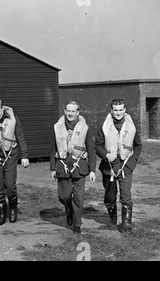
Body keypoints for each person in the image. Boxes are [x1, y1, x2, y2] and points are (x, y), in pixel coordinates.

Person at [95, 98, 142, 232]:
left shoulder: (131, 126)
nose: (118, 113)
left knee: (126, 194)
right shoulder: (104, 127)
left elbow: (138, 145)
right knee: (110, 195)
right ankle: (113, 216)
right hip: (108, 165)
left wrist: (132, 162)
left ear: (125, 110)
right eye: (115, 110)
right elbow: (97, 145)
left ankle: (126, 222)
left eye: (121, 110)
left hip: (125, 165)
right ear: (111, 111)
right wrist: (106, 155)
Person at [50, 101, 96, 234]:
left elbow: (91, 149)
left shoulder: (85, 128)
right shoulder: (57, 127)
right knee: (64, 197)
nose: (70, 113)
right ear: (64, 111)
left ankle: (77, 224)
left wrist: (92, 170)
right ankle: (68, 210)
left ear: (78, 113)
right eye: (68, 111)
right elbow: (53, 148)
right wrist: (53, 168)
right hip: (62, 166)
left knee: (79, 198)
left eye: (73, 111)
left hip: (79, 166)